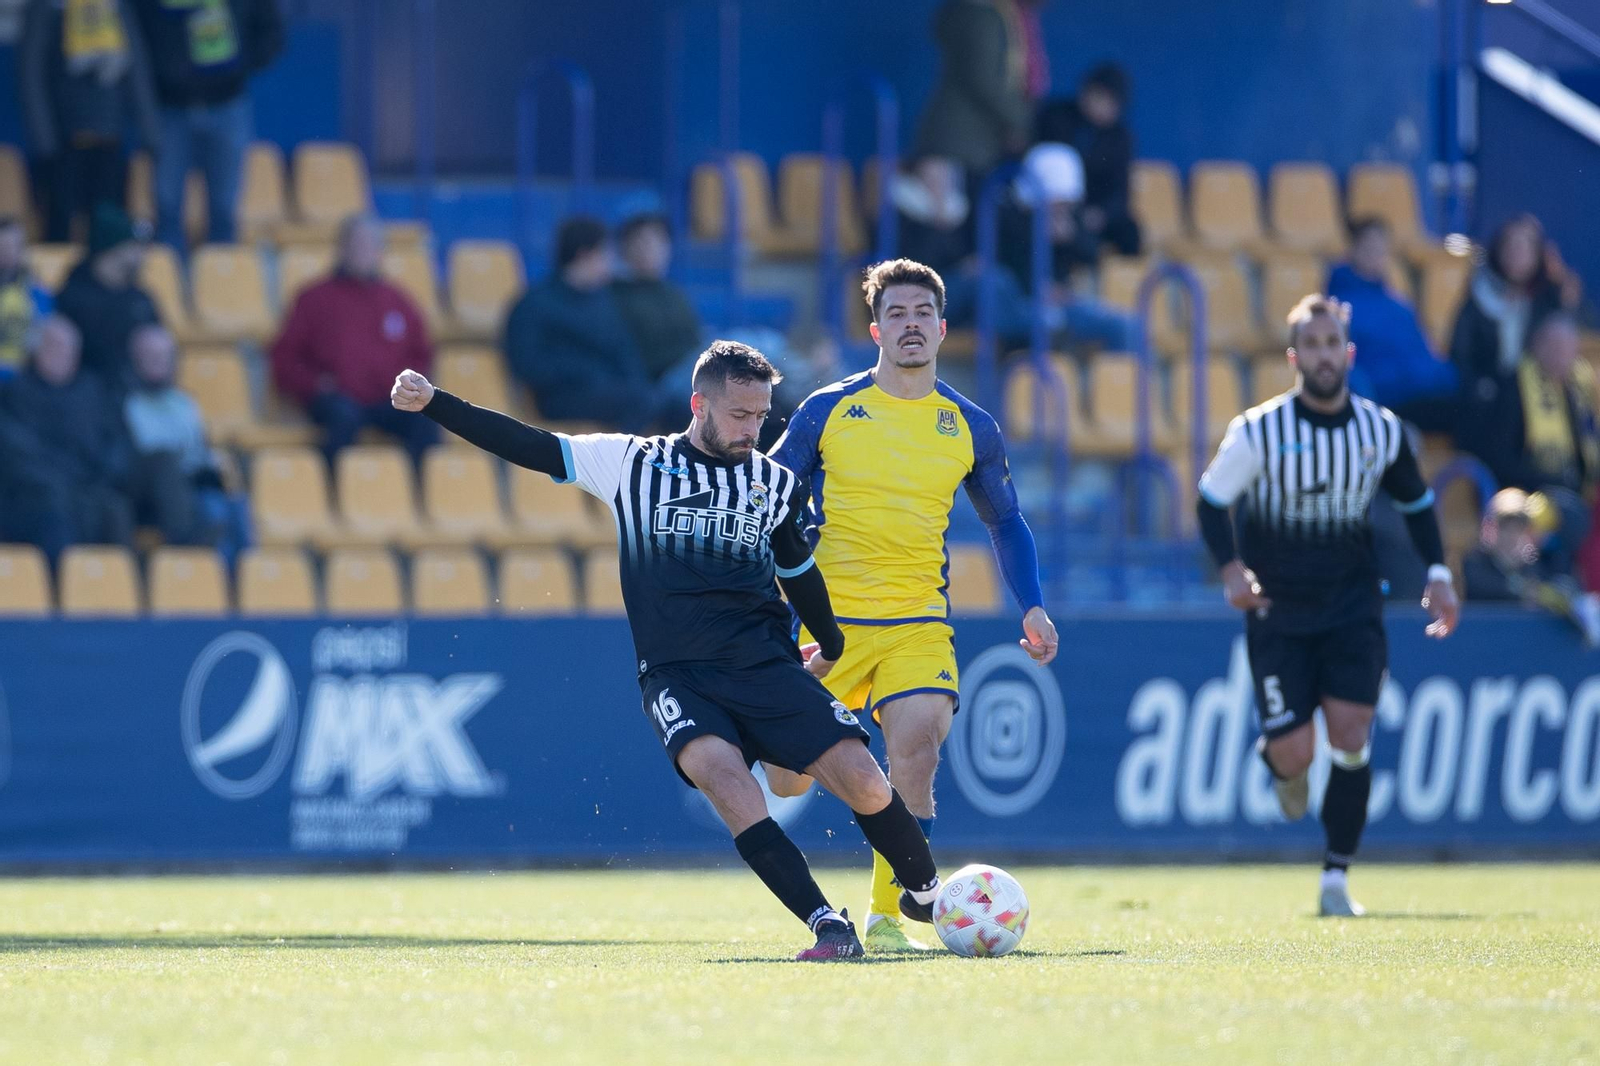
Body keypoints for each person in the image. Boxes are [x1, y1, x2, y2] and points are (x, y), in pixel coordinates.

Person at [389, 341, 947, 961]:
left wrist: (834, 644)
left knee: (867, 785)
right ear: (698, 404)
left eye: (761, 416)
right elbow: (530, 445)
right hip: (678, 676)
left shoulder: (774, 483)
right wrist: (436, 403)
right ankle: (826, 924)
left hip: (766, 665)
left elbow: (800, 571)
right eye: (739, 415)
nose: (752, 430)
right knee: (726, 782)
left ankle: (927, 894)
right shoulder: (633, 463)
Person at [766, 258, 1059, 951]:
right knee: (783, 781)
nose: (910, 325)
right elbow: (769, 496)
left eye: (922, 313)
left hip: (917, 623)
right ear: (874, 329)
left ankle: (888, 917)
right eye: (896, 314)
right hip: (825, 628)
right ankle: (820, 781)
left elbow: (1005, 521)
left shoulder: (969, 425)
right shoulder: (827, 409)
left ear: (943, 327)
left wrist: (1033, 605)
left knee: (918, 750)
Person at [1195, 293, 1460, 917]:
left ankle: (1336, 878)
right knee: (1296, 754)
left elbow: (1418, 504)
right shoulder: (1258, 431)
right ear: (1294, 357)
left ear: (1348, 351)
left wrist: (1441, 573)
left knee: (1351, 733)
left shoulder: (1381, 429)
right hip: (1277, 610)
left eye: (1330, 343)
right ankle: (1280, 764)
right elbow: (1211, 502)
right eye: (1309, 345)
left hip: (1352, 605)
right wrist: (1232, 570)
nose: (1322, 355)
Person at [270, 214, 437, 464]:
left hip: (387, 399)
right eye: (356, 244)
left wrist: (409, 387)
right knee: (343, 418)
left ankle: (418, 495)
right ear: (341, 249)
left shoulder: (397, 300)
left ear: (380, 252)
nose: (362, 252)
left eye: (369, 245)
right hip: (338, 398)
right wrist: (315, 384)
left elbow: (421, 353)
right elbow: (284, 358)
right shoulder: (314, 298)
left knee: (426, 421)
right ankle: (329, 491)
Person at [132, 0, 284, 250]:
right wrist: (165, 73)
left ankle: (220, 278)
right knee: (166, 203)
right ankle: (170, 281)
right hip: (170, 107)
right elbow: (136, 33)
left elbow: (271, 30)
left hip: (227, 103)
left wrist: (237, 66)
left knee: (225, 206)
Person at [503, 215, 675, 432]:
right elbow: (527, 363)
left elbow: (625, 353)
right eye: (605, 254)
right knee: (642, 402)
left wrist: (635, 383)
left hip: (609, 390)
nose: (611, 262)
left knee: (674, 405)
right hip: (561, 397)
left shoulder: (604, 302)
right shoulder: (534, 304)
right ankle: (617, 464)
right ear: (585, 255)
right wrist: (582, 373)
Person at [17, 0, 161, 242]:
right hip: (62, 141)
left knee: (109, 226)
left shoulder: (115, 7)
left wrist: (149, 131)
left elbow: (136, 70)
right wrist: (45, 141)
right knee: (59, 223)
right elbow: (31, 75)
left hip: (109, 138)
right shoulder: (46, 8)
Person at [0, 314, 133, 561]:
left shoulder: (93, 391)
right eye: (53, 346)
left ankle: (120, 587)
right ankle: (61, 588)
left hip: (90, 485)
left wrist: (101, 477)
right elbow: (18, 454)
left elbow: (116, 441)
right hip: (34, 493)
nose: (62, 354)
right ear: (36, 350)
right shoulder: (14, 394)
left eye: (69, 348)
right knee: (56, 506)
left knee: (115, 507)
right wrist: (69, 479)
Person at [1451, 214, 1583, 455]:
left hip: (1536, 395)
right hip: (1488, 397)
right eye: (1510, 247)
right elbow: (1459, 353)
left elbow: (1564, 344)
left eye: (1524, 249)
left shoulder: (1548, 299)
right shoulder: (1478, 295)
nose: (1516, 255)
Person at [124, 322, 249, 558]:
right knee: (211, 510)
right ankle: (212, 577)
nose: (158, 362)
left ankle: (246, 579)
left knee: (236, 506)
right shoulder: (128, 403)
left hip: (193, 481)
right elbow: (145, 453)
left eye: (163, 356)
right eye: (151, 356)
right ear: (136, 359)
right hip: (154, 494)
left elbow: (198, 448)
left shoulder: (185, 402)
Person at [999, 143, 1138, 352]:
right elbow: (1006, 272)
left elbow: (1092, 254)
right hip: (1024, 308)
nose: (1061, 208)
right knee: (1049, 323)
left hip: (1063, 304)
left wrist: (1070, 238)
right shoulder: (1011, 220)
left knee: (1124, 326)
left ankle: (1119, 382)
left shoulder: (1070, 218)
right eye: (1056, 202)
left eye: (1066, 203)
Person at [1329, 217, 1457, 432]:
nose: (1376, 255)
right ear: (1352, 250)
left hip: (1426, 393)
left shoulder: (1400, 306)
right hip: (1388, 401)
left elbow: (1425, 356)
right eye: (1369, 247)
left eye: (1381, 249)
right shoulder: (1337, 308)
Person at [913, 0, 1036, 177]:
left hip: (965, 138)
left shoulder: (973, 11)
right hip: (962, 139)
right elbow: (983, 79)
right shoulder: (981, 16)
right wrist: (1022, 120)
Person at [1466, 488, 1600, 644]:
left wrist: (1563, 597)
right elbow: (1484, 588)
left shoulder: (1538, 566)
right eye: (1505, 528)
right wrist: (1529, 592)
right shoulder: (1474, 563)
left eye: (1519, 529)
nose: (1512, 537)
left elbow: (1566, 588)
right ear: (1489, 528)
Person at [1034, 63, 1140, 257]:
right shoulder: (1056, 117)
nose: (1101, 106)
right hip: (1057, 207)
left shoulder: (1120, 137)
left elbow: (1120, 189)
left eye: (1110, 102)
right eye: (1098, 96)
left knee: (1130, 234)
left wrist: (1102, 213)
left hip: (1095, 210)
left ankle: (1122, 284)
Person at [53, 203, 160, 392]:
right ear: (112, 248)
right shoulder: (73, 297)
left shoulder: (140, 298)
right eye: (133, 246)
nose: (142, 254)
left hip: (138, 396)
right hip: (85, 399)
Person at [612, 212, 703, 385]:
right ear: (625, 248)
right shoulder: (615, 296)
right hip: (662, 381)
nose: (651, 248)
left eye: (659, 241)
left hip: (695, 367)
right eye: (643, 241)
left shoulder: (674, 293)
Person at [0, 216, 54, 379]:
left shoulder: (37, 291)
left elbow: (46, 335)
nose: (9, 253)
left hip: (26, 380)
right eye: (3, 246)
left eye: (15, 246)